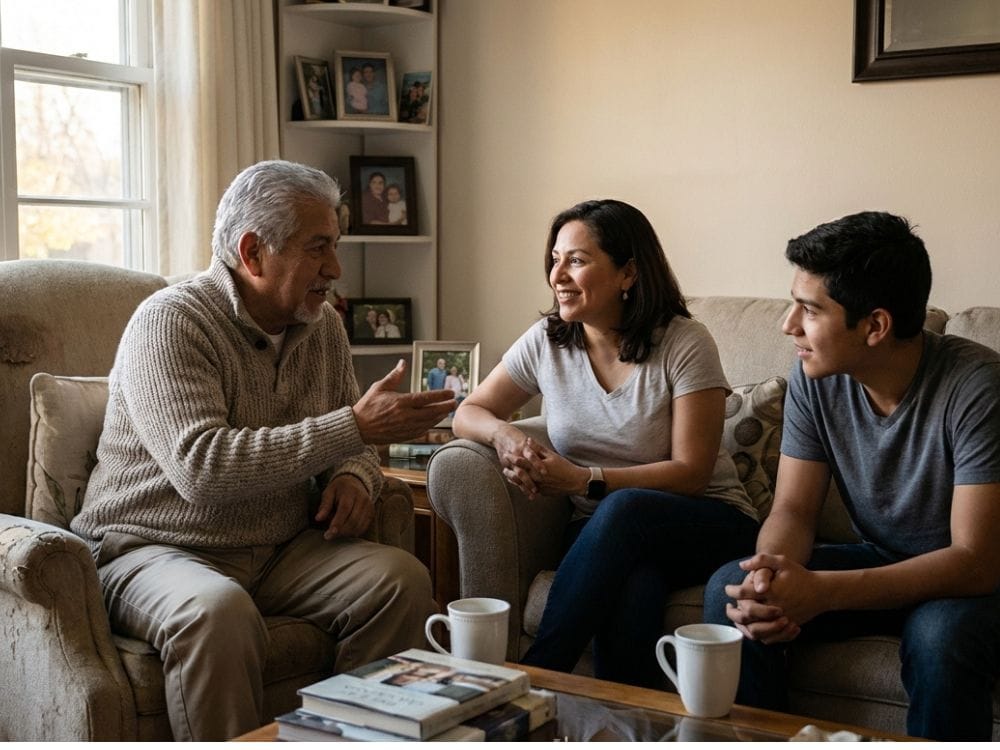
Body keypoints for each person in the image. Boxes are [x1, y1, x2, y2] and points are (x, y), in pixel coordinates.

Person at [70, 159, 456, 741]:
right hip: (151, 547)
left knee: (399, 581)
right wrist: (353, 429)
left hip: (277, 548)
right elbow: (202, 468)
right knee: (216, 614)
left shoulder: (320, 325)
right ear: (252, 253)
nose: (335, 268)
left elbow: (347, 440)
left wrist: (352, 477)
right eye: (318, 247)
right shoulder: (169, 323)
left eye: (336, 244)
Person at [703, 211, 1000, 741]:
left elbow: (975, 562)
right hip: (885, 555)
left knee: (939, 638)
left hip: (974, 582)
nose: (788, 325)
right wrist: (770, 577)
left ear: (875, 326)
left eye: (809, 309)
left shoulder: (978, 388)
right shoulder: (817, 376)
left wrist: (823, 592)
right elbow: (793, 510)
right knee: (733, 592)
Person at [452, 199, 759, 688]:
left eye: (576, 259)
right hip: (605, 533)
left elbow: (692, 471)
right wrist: (506, 434)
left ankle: (534, 681)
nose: (558, 275)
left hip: (707, 520)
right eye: (555, 259)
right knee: (633, 588)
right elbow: (467, 413)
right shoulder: (547, 342)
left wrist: (583, 480)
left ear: (628, 273)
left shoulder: (684, 341)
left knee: (626, 508)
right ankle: (623, 726)